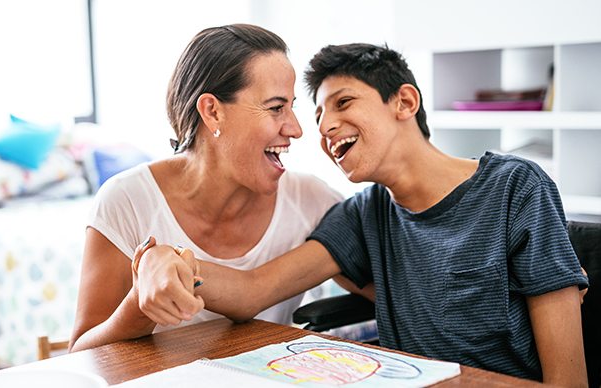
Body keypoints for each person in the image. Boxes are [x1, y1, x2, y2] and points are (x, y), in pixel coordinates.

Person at [137, 43, 590, 388]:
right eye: (317, 116)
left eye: (343, 103)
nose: (324, 127)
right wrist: (169, 262)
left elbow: (568, 383)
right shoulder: (364, 214)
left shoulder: (516, 188)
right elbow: (252, 290)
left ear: (405, 103)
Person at [68, 24, 344, 352]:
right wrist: (140, 302)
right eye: (275, 108)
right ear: (212, 111)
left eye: (292, 106)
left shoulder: (311, 200)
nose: (296, 129)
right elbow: (81, 355)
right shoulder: (126, 201)